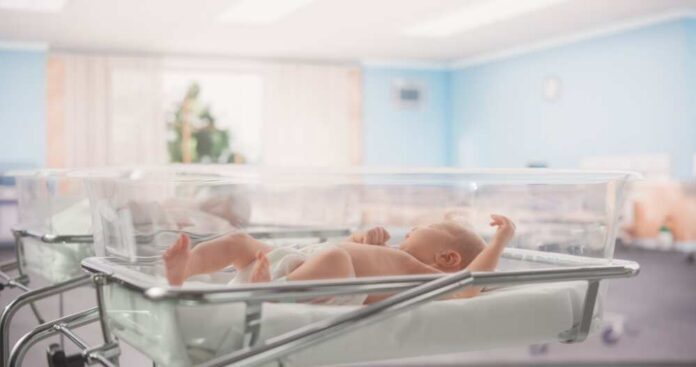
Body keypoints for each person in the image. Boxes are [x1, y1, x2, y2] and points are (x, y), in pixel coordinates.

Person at [163, 214, 515, 304]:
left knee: (336, 259)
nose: (413, 228)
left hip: (322, 284)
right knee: (240, 241)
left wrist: (498, 241)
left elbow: (470, 286)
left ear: (448, 257)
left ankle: (269, 292)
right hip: (297, 263)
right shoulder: (391, 253)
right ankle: (187, 268)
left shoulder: (422, 275)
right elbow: (341, 248)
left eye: (426, 227)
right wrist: (358, 239)